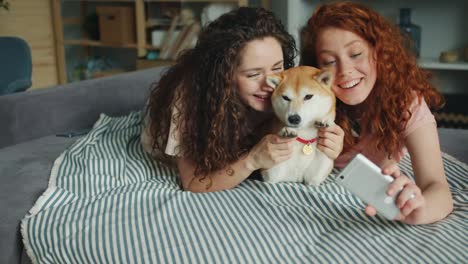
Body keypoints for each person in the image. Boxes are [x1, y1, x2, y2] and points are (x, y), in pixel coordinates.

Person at [142, 7, 344, 193]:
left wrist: (330, 143)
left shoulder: (286, 89)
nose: (270, 84)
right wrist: (252, 160)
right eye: (253, 74)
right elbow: (195, 183)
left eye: (276, 68)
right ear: (224, 76)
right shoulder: (190, 101)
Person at [300, 1, 453, 224]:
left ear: (378, 52)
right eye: (330, 61)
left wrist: (419, 210)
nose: (345, 71)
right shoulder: (309, 102)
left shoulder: (405, 102)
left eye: (356, 54)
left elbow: (436, 186)